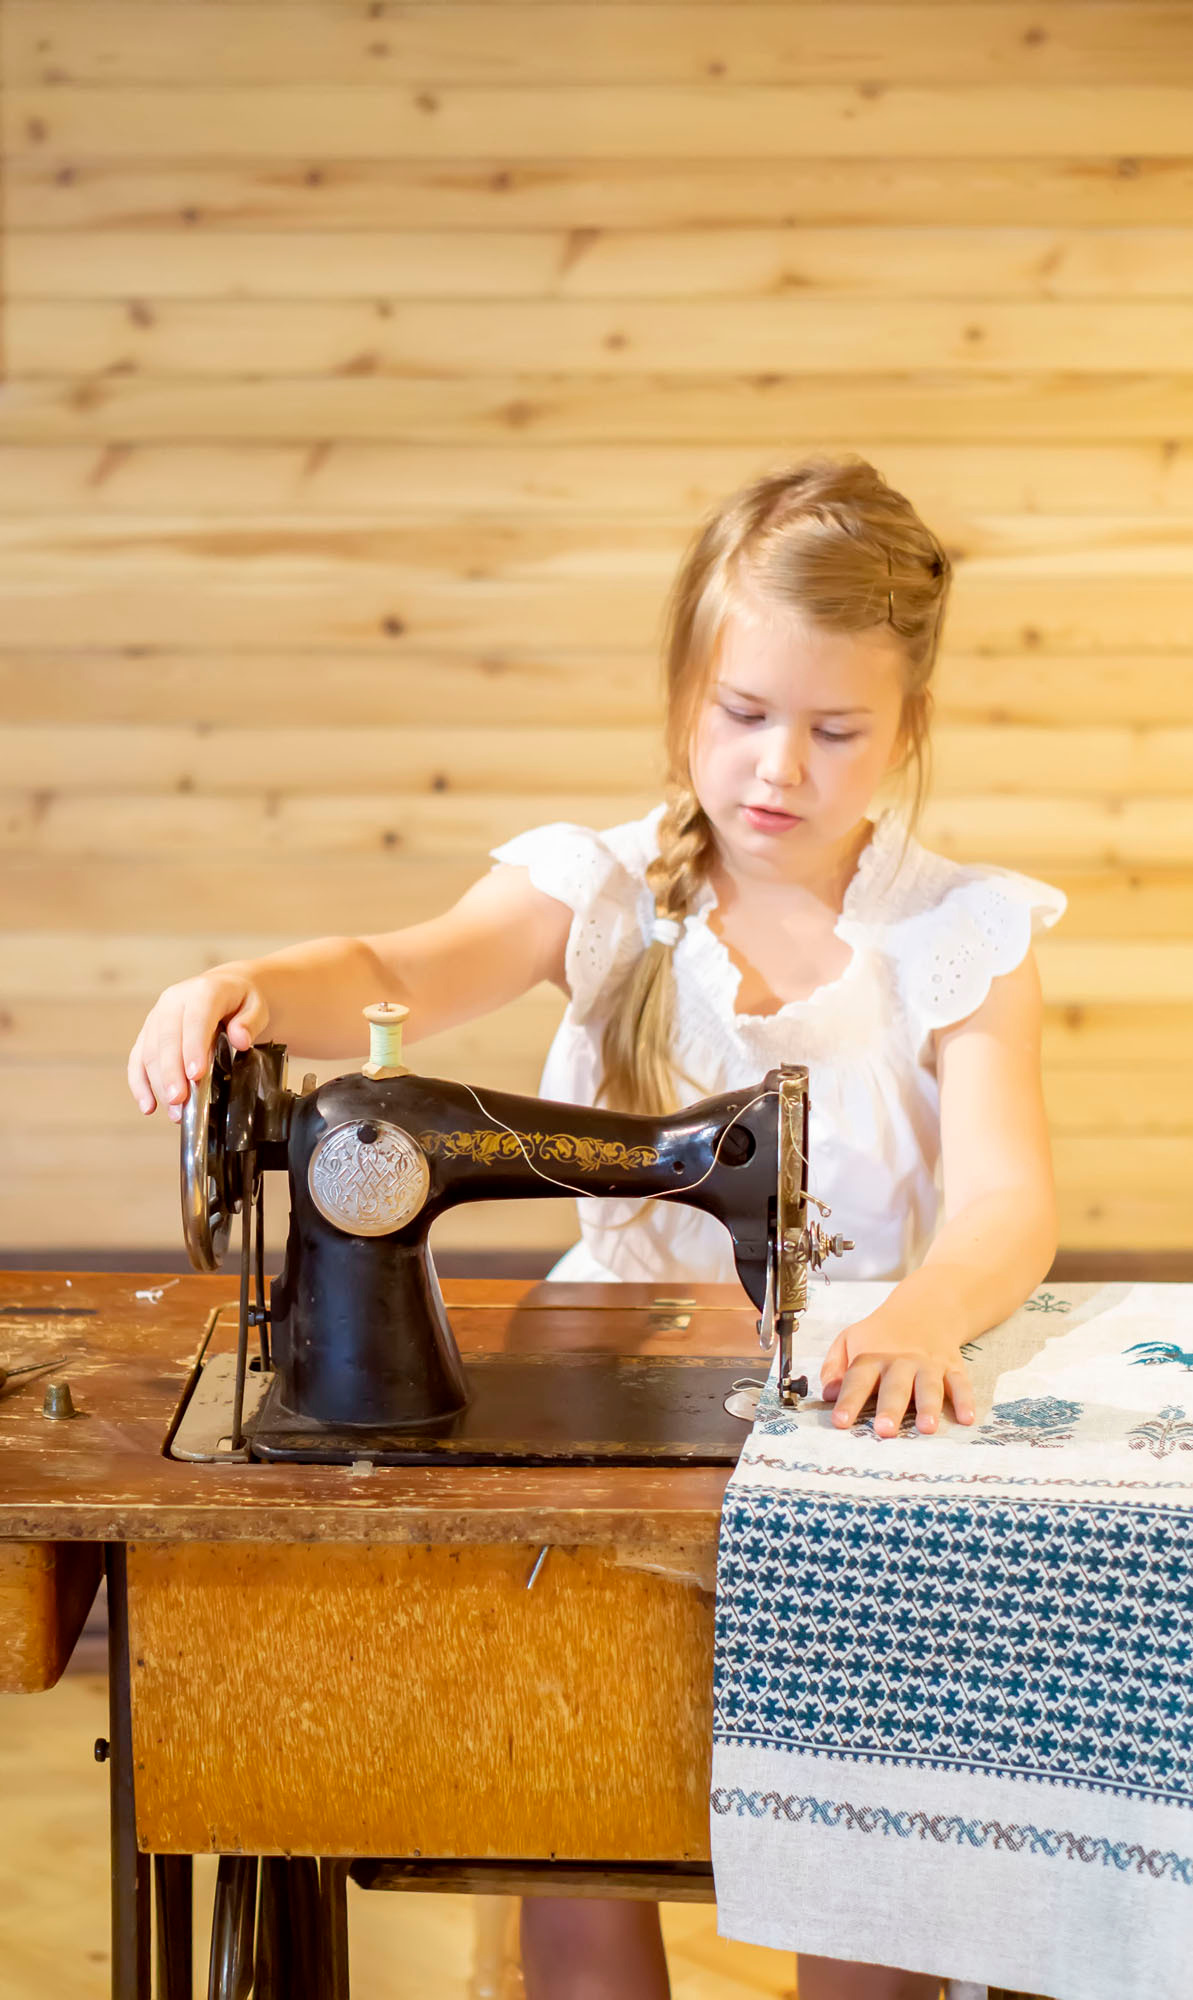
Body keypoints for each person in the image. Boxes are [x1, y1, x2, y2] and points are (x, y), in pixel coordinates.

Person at [128, 454, 1066, 2000]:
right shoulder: (601, 891)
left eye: (834, 731)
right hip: (599, 1416)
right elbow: (395, 968)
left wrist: (920, 1313)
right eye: (740, 712)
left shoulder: (959, 931)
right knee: (572, 1839)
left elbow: (1007, 1197)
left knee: (866, 1904)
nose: (777, 766)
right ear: (685, 690)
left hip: (857, 1407)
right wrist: (241, 990)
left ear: (906, 730)